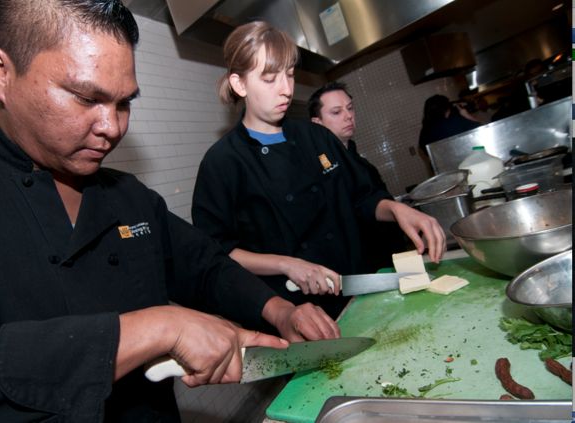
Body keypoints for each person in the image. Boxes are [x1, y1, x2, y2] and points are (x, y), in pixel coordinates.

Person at [0, 2, 341, 421]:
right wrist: (159, 327)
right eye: (86, 97)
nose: (112, 127)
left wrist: (279, 310)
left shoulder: (128, 196)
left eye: (124, 103)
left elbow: (204, 265)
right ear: (1, 71)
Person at [192, 21, 446, 320]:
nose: (287, 89)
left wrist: (395, 209)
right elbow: (219, 250)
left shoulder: (317, 137)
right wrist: (287, 264)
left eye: (289, 75)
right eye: (270, 79)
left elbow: (362, 197)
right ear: (240, 84)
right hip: (299, 310)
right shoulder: (223, 161)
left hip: (359, 289)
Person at [307, 81, 407, 270]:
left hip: (389, 261)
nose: (348, 116)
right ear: (317, 123)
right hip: (361, 269)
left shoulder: (361, 163)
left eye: (350, 108)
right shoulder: (318, 170)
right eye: (336, 112)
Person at [418, 94, 482, 152]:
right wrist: (466, 115)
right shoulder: (455, 122)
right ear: (446, 109)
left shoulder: (424, 132)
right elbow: (481, 130)